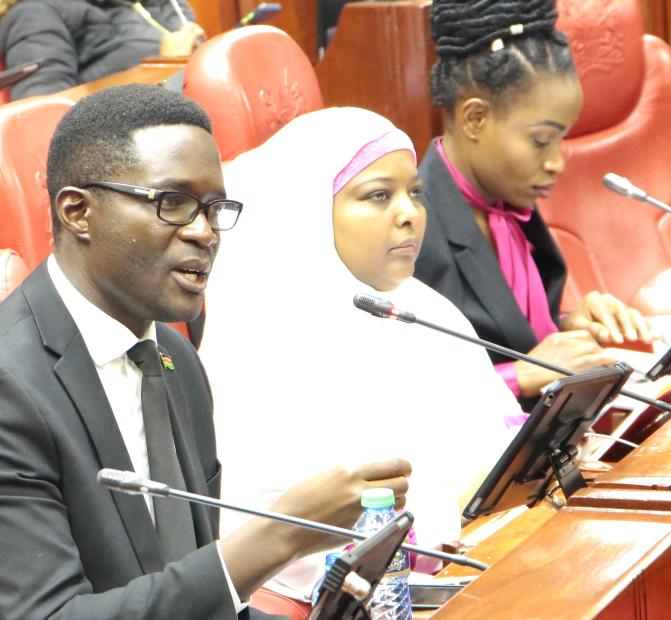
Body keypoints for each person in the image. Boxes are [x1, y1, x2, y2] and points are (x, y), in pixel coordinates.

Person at [0, 84, 411, 619]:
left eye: (214, 208)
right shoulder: (11, 385)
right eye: (173, 204)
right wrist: (277, 538)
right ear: (79, 212)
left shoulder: (174, 358)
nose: (204, 233)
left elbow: (194, 599)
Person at [200, 106, 521, 603]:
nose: (410, 212)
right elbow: (316, 549)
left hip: (493, 558)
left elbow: (505, 442)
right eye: (378, 196)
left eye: (415, 192)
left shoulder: (418, 307)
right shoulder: (264, 341)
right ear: (307, 212)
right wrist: (463, 502)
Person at [414, 0, 653, 408]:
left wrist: (573, 327)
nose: (557, 162)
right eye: (541, 141)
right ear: (474, 119)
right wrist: (517, 376)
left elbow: (510, 334)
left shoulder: (507, 200)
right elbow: (406, 390)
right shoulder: (412, 228)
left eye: (562, 140)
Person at [0, 0, 205, 100]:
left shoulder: (132, 4)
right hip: (135, 148)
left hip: (197, 103)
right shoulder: (34, 14)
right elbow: (40, 115)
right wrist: (165, 68)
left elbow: (179, 19)